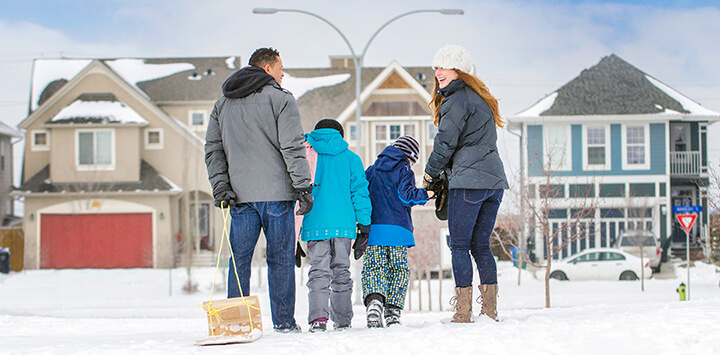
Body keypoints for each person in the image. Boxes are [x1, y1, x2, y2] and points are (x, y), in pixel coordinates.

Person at [204, 47, 313, 333]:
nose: (283, 74)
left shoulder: (222, 105)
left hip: (239, 197)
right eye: (280, 68)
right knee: (280, 260)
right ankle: (284, 323)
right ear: (267, 69)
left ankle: (235, 322)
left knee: (239, 260)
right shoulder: (281, 99)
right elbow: (292, 146)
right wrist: (303, 186)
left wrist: (221, 187)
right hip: (277, 196)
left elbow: (213, 150)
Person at [422, 44, 509, 323]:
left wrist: (429, 175)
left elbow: (445, 143)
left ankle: (462, 311)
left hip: (469, 182)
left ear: (458, 70)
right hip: (494, 182)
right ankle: (490, 310)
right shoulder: (480, 98)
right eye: (436, 67)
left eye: (443, 66)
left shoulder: (456, 100)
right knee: (480, 245)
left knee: (459, 245)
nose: (437, 72)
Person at [300, 119, 372, 333]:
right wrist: (364, 226)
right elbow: (360, 192)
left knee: (318, 271)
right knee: (341, 270)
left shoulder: (306, 156)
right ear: (340, 135)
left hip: (315, 223)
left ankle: (318, 319)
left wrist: (294, 232)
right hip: (344, 225)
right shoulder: (351, 158)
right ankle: (342, 320)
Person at [363, 135, 431, 328]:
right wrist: (427, 193)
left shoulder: (371, 170)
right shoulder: (404, 170)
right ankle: (392, 311)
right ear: (409, 157)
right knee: (398, 270)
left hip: (374, 230)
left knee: (374, 268)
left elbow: (362, 196)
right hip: (398, 230)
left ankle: (375, 303)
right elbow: (406, 195)